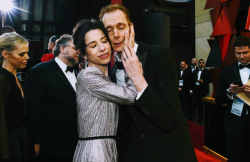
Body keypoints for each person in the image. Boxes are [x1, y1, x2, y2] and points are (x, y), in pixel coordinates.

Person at [99, 4, 197, 162]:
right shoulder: (110, 73)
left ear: (131, 28)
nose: (115, 34)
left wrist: (138, 78)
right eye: (109, 30)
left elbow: (169, 119)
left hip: (168, 153)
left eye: (120, 26)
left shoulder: (160, 55)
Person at [72, 19, 137, 162]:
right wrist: (130, 56)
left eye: (104, 41)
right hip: (96, 152)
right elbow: (131, 96)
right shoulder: (88, 75)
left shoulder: (105, 77)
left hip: (107, 147)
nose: (102, 48)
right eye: (93, 45)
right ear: (83, 54)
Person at [24, 34, 79, 162]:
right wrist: (35, 141)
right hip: (50, 146)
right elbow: (32, 110)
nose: (79, 52)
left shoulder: (78, 73)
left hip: (74, 146)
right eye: (76, 48)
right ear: (62, 49)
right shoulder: (39, 72)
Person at [216, 36, 250, 161]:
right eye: (238, 53)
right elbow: (218, 98)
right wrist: (229, 92)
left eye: (245, 52)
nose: (241, 56)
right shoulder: (226, 71)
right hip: (234, 125)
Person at [0, 33, 32, 162]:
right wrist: (6, 155)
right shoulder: (2, 80)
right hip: (9, 143)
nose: (27, 57)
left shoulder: (14, 75)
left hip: (21, 139)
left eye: (27, 53)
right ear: (5, 54)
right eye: (21, 54)